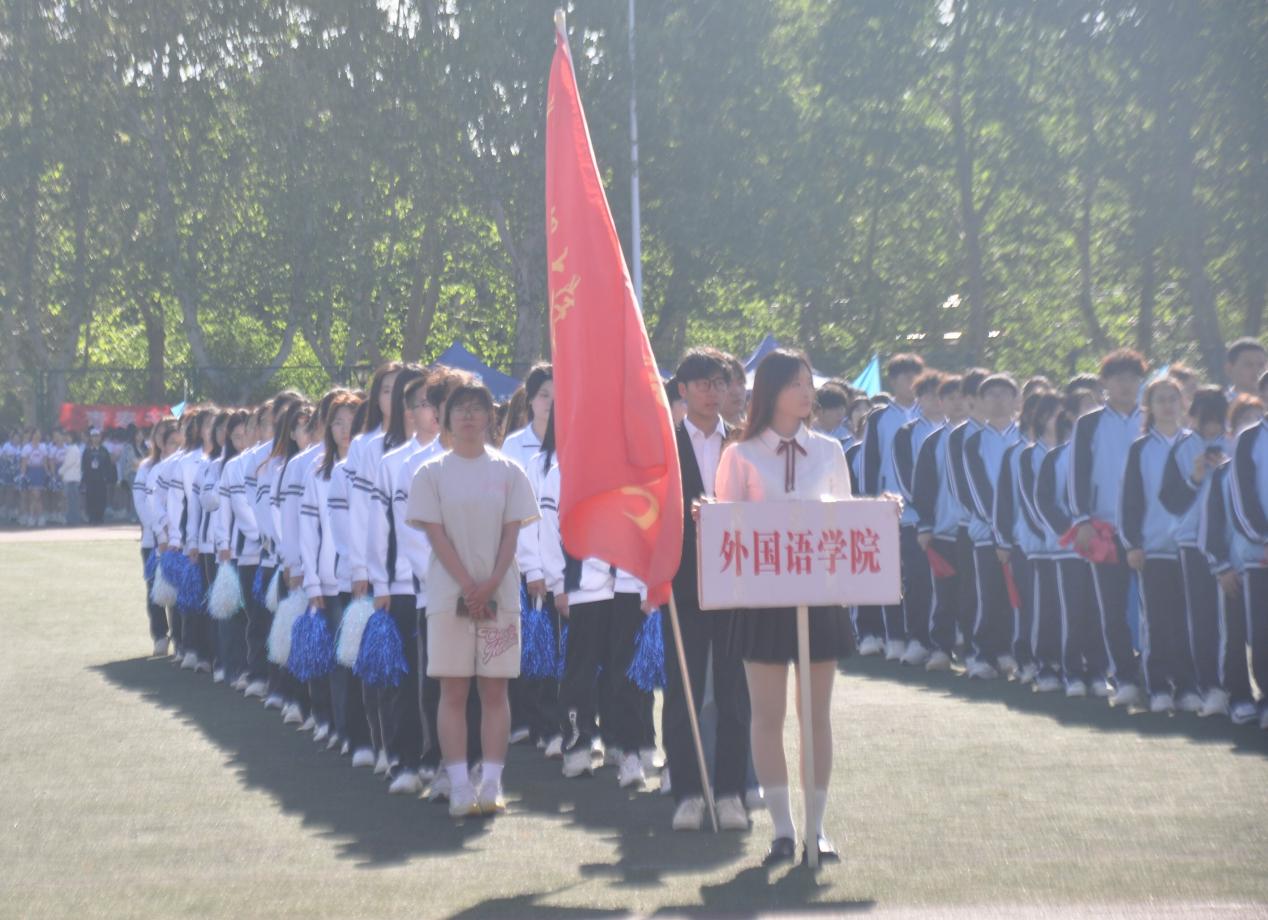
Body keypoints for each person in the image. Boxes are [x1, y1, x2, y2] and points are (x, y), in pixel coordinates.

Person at [714, 349, 868, 867]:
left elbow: (847, 519)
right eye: (796, 383)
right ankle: (782, 829)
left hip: (818, 595)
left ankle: (816, 830)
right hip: (762, 599)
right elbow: (726, 527)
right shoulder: (740, 454)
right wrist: (707, 516)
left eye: (809, 383)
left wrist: (881, 514)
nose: (807, 392)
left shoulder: (829, 450)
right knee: (766, 715)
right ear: (771, 391)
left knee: (815, 716)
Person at [406, 381, 540, 817]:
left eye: (476, 408)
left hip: (500, 594)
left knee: (495, 689)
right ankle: (460, 784)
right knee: (453, 690)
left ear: (489, 416)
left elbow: (511, 535)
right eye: (459, 408)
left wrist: (491, 582)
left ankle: (492, 783)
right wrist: (468, 584)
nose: (468, 416)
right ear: (446, 418)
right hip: (449, 595)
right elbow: (435, 535)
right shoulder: (431, 473)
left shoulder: (509, 471)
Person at [1068, 349, 1147, 707]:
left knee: (1155, 610)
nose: (1126, 385)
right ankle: (1124, 676)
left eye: (1133, 378)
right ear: (1105, 383)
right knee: (1113, 610)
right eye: (1118, 378)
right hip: (1104, 528)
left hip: (1149, 530)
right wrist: (1081, 520)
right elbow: (1077, 474)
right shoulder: (1089, 423)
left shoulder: (1151, 418)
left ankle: (1156, 675)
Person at [1120, 377, 1202, 714]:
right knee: (1156, 620)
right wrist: (1132, 544)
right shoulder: (1140, 448)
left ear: (1184, 403)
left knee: (1188, 621)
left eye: (1173, 399)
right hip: (1153, 548)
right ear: (1149, 408)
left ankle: (1187, 686)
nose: (1167, 406)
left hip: (1193, 547)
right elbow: (1130, 500)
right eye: (1160, 400)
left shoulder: (1197, 443)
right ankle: (1157, 688)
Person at [1159, 387, 1231, 716]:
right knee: (1202, 618)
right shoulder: (1182, 446)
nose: (1211, 428)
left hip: (1231, 543)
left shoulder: (1235, 444)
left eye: (1217, 420)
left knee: (1233, 623)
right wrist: (1195, 477)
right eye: (1205, 420)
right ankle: (1210, 686)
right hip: (1192, 543)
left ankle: (1237, 688)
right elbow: (1170, 501)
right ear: (1193, 416)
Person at [858, 353, 925, 657]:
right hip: (889, 508)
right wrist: (870, 502)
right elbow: (869, 461)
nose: (910, 382)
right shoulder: (879, 417)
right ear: (893, 381)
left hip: (923, 510)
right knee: (889, 574)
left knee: (919, 577)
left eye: (915, 376)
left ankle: (919, 637)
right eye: (904, 377)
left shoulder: (929, 413)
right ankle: (893, 636)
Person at [891, 369, 945, 666]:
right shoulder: (906, 432)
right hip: (915, 521)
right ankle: (917, 639)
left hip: (949, 524)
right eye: (928, 394)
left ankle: (943, 643)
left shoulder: (954, 431)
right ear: (919, 398)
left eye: (940, 394)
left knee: (948, 586)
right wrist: (927, 509)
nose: (935, 400)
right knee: (918, 581)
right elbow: (905, 478)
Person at [912, 374, 966, 671]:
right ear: (941, 403)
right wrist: (925, 525)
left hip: (975, 532)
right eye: (950, 398)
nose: (957, 403)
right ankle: (941, 648)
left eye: (962, 397)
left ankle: (977, 650)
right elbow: (923, 488)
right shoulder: (933, 442)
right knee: (944, 596)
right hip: (943, 531)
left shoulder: (977, 437)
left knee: (976, 596)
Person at [1226, 386, 1268, 730]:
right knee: (1263, 633)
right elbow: (1242, 497)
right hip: (1260, 555)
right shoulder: (1249, 438)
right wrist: (1263, 537)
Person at [81, 428, 114, 525]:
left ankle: (100, 517)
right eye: (93, 436)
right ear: (90, 438)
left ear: (100, 437)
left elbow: (108, 464)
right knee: (90, 497)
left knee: (101, 497)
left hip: (101, 478)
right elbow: (84, 465)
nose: (95, 438)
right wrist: (85, 478)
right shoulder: (87, 451)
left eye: (97, 436)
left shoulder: (104, 450)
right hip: (90, 478)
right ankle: (92, 517)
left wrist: (107, 476)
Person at [60, 431, 83, 526]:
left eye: (68, 437)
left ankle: (73, 519)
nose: (66, 438)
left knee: (72, 500)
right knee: (71, 500)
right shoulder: (71, 449)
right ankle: (72, 518)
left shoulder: (74, 449)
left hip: (72, 478)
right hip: (70, 478)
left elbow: (68, 463)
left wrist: (60, 471)